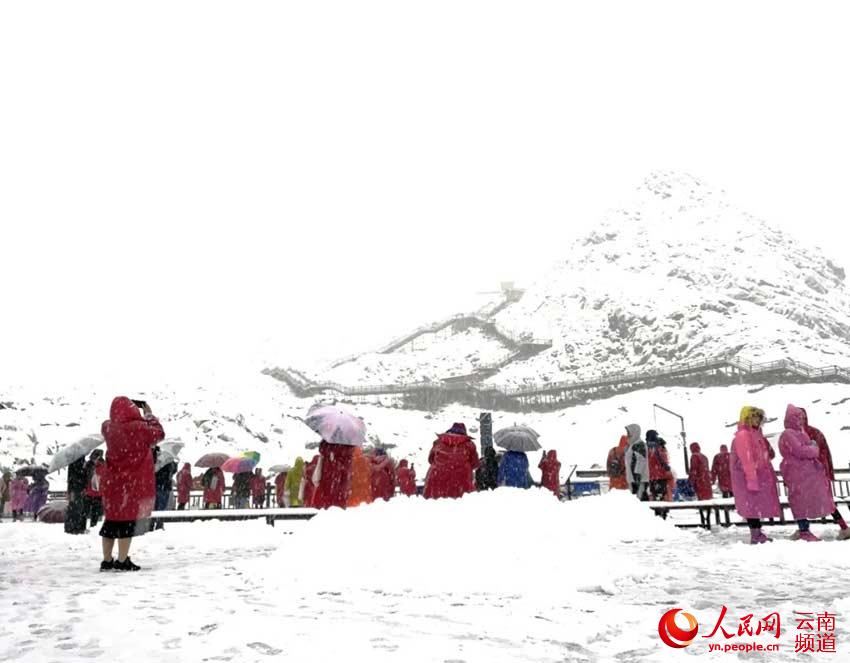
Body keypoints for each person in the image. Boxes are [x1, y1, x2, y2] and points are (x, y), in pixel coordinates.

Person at [100, 397, 165, 571]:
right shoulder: (140, 428)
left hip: (112, 483)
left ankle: (107, 560)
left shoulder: (107, 428)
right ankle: (122, 561)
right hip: (131, 484)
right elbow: (159, 433)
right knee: (125, 522)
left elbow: (112, 422)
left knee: (110, 522)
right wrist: (148, 414)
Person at [779, 404, 850, 542]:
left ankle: (805, 529)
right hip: (810, 473)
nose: (801, 420)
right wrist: (813, 450)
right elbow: (812, 451)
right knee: (819, 501)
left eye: (802, 417)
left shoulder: (803, 432)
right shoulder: (803, 433)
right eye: (799, 417)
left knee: (807, 500)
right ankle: (808, 529)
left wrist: (814, 453)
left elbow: (815, 451)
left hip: (811, 473)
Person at [730, 406, 780, 544]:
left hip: (757, 476)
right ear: (746, 418)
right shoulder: (743, 435)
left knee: (754, 505)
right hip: (749, 477)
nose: (757, 420)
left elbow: (766, 456)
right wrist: (751, 479)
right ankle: (755, 535)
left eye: (759, 417)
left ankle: (757, 533)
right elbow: (747, 460)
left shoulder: (755, 434)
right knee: (751, 506)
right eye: (753, 417)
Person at [423, 423, 480, 499]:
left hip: (436, 479)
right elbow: (475, 463)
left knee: (433, 506)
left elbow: (430, 459)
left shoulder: (439, 442)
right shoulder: (469, 444)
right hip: (461, 480)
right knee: (461, 506)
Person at [311, 439, 356, 510]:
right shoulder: (347, 443)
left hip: (331, 473)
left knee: (330, 497)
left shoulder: (329, 443)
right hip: (336, 474)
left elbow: (322, 450)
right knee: (336, 497)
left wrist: (332, 452)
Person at [801, 409, 835, 482]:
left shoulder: (814, 433)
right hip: (818, 475)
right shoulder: (815, 432)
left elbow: (826, 452)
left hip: (815, 475)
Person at [64, 456, 89, 534]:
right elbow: (85, 477)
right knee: (79, 508)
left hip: (74, 488)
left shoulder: (72, 463)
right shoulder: (83, 464)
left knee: (73, 508)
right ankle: (77, 527)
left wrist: (69, 490)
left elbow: (69, 478)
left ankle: (71, 527)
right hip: (79, 489)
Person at [151, 457, 177, 530]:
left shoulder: (158, 462)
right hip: (165, 487)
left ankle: (151, 523)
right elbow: (173, 471)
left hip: (156, 486)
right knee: (162, 506)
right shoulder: (170, 463)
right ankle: (159, 524)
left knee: (155, 506)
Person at [624, 424, 648, 500]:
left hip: (638, 479)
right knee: (636, 500)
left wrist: (637, 475)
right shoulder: (633, 445)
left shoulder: (639, 445)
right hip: (634, 478)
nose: (627, 435)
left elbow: (641, 460)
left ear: (634, 432)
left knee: (638, 500)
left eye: (629, 432)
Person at [84, 450, 105, 527]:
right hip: (89, 492)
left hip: (97, 493)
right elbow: (85, 477)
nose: (94, 459)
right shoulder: (88, 465)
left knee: (95, 512)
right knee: (85, 511)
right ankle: (83, 527)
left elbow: (105, 478)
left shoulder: (103, 465)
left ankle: (93, 527)